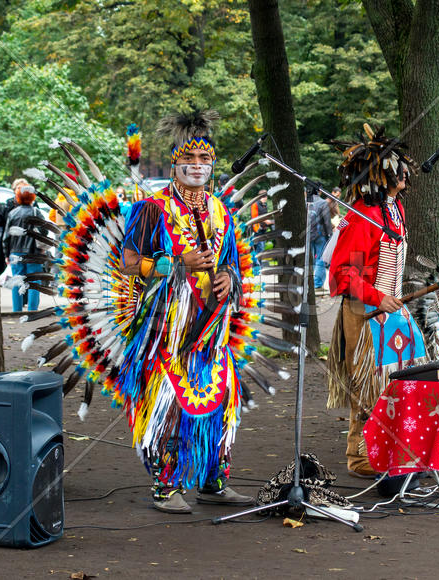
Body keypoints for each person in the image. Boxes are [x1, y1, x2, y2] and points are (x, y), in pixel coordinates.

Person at [118, 109, 253, 513]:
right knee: (171, 403)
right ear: (175, 163)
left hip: (212, 327)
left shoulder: (222, 213)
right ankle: (166, 486)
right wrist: (174, 265)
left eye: (205, 160)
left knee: (222, 398)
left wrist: (231, 277)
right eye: (189, 160)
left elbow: (234, 262)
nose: (197, 166)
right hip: (168, 329)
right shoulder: (153, 209)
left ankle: (214, 482)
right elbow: (127, 261)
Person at [326, 127, 427, 478]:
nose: (404, 174)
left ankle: (391, 448)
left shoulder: (394, 208)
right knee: (367, 383)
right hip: (363, 311)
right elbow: (343, 273)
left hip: (390, 309)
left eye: (405, 168)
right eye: (397, 168)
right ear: (380, 173)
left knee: (397, 381)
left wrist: (388, 299)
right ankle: (361, 456)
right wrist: (376, 297)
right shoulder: (362, 215)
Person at [3, 186, 45, 312]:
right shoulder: (37, 213)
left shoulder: (12, 213)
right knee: (34, 281)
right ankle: (32, 310)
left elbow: (6, 237)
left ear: (18, 198)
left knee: (16, 281)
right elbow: (44, 232)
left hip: (16, 252)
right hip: (34, 253)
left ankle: (17, 310)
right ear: (32, 197)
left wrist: (6, 253)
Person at [310, 191, 336, 293]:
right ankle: (317, 285)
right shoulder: (322, 203)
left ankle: (308, 283)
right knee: (321, 259)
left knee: (309, 259)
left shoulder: (304, 202)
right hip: (320, 234)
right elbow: (326, 221)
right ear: (319, 191)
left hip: (308, 234)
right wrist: (329, 235)